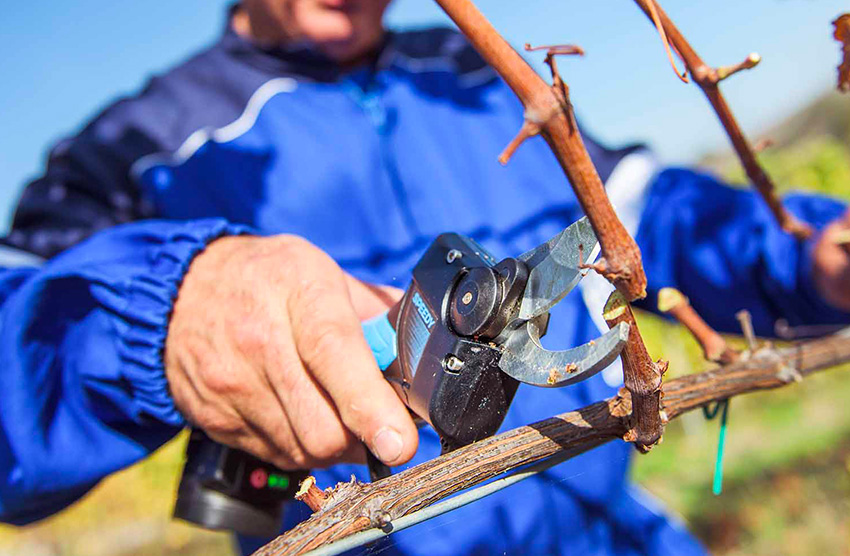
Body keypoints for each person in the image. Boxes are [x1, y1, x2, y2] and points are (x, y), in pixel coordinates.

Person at [1, 0, 849, 554]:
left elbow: (634, 215)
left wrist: (803, 255)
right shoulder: (135, 150)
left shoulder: (477, 75)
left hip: (614, 534)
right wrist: (157, 318)